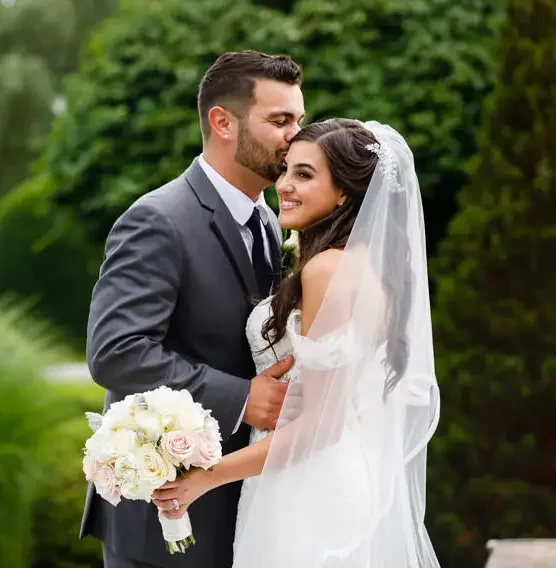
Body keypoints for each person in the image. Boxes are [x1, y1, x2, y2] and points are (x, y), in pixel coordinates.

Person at [152, 119, 442, 567]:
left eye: (304, 174)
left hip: (309, 485)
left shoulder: (327, 269)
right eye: (286, 169)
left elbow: (322, 424)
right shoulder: (368, 266)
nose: (283, 184)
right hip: (328, 472)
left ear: (344, 193)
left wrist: (206, 477)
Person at [80, 50, 307, 568]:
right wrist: (241, 398)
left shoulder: (272, 223)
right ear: (223, 123)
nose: (295, 136)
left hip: (244, 506)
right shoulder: (158, 221)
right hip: (164, 520)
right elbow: (116, 352)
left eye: (299, 120)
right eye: (280, 121)